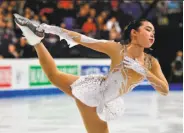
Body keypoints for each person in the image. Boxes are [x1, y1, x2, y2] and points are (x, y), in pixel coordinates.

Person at [14, 14, 169, 133]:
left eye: (153, 32)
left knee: (54, 76)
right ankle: (36, 40)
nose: (152, 34)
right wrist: (51, 29)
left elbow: (164, 90)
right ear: (134, 33)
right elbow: (83, 39)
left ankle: (35, 41)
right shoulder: (117, 49)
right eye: (148, 29)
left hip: (109, 100)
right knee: (53, 75)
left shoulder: (151, 63)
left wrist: (143, 71)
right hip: (95, 94)